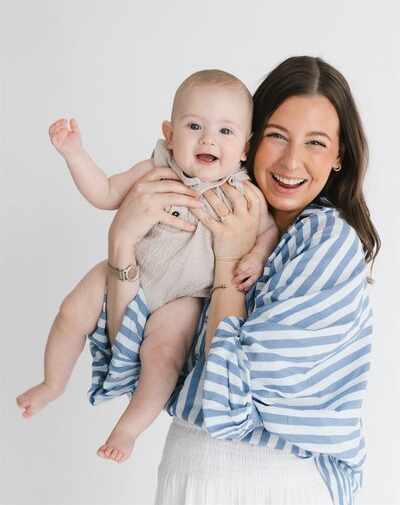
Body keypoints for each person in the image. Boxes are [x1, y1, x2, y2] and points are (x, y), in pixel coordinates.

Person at [99, 56, 380, 505]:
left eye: (315, 142)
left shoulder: (325, 243)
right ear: (250, 142)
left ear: (339, 154)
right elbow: (130, 359)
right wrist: (122, 245)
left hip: (275, 483)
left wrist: (230, 257)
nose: (292, 160)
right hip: (185, 472)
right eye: (277, 136)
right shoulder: (211, 209)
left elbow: (230, 399)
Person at [16, 70, 278, 463]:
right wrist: (75, 155)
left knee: (165, 355)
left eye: (226, 131)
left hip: (186, 295)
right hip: (131, 266)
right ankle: (53, 382)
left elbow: (269, 231)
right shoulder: (156, 167)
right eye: (194, 126)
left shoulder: (245, 193)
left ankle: (128, 428)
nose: (208, 138)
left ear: (245, 146)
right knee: (71, 311)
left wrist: (257, 256)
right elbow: (105, 193)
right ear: (170, 135)